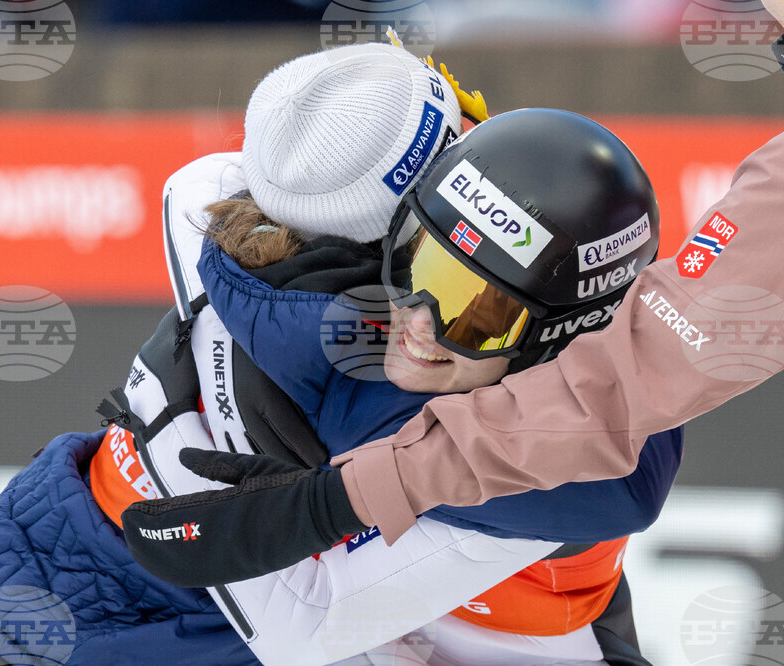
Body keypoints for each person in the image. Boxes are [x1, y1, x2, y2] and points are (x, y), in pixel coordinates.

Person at [0, 43, 674, 666]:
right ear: (391, 224)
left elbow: (197, 185)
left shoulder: (225, 227)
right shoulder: (420, 400)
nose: (423, 324)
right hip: (98, 634)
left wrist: (173, 431)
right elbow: (629, 471)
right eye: (461, 146)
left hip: (13, 571)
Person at [160, 0, 784, 600]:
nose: (425, 323)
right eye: (422, 268)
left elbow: (623, 396)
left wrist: (332, 503)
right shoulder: (362, 364)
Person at [124, 107, 681, 664]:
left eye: (476, 318)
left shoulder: (533, 472)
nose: (418, 324)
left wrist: (166, 420)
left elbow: (303, 631)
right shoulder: (326, 307)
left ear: (555, 342)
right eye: (418, 266)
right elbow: (202, 184)